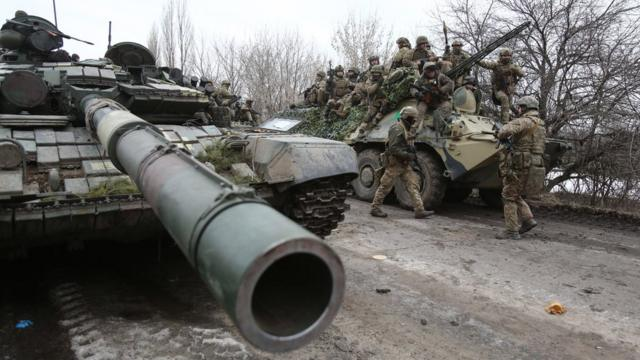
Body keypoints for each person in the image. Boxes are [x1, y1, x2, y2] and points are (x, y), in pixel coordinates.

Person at [495, 95, 545, 240]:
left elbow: (504, 131)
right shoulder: (540, 124)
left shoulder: (524, 121)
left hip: (521, 163)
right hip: (534, 163)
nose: (518, 109)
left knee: (508, 195)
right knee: (515, 192)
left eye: (520, 107)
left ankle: (511, 231)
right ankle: (528, 219)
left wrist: (501, 133)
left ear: (524, 108)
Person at [370, 106, 434, 219]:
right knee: (385, 186)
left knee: (413, 185)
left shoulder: (405, 128)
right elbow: (393, 148)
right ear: (407, 117)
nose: (414, 122)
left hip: (404, 164)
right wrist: (408, 154)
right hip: (395, 163)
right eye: (412, 119)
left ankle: (419, 210)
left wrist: (410, 152)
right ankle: (375, 208)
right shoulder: (397, 128)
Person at [409, 62, 454, 141]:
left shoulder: (440, 76)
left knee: (447, 107)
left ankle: (437, 127)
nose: (430, 72)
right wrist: (417, 94)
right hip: (426, 100)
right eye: (428, 70)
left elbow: (450, 83)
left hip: (440, 100)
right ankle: (413, 129)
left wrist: (441, 90)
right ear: (425, 71)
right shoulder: (421, 79)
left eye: (432, 70)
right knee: (419, 111)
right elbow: (413, 88)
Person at [478, 48, 524, 124]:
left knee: (508, 106)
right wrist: (477, 61)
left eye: (508, 56)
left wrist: (515, 69)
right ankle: (505, 122)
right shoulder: (496, 65)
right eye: (504, 56)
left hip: (509, 91)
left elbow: (522, 73)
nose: (506, 57)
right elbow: (485, 64)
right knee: (504, 99)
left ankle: (509, 119)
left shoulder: (513, 66)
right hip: (499, 90)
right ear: (500, 56)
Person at [358, 64, 387, 137]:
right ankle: (361, 130)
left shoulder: (384, 79)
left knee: (386, 106)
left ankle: (376, 119)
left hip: (383, 99)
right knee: (369, 115)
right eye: (374, 73)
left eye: (378, 73)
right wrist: (378, 83)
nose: (376, 75)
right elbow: (369, 91)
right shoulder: (369, 81)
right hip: (373, 101)